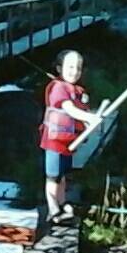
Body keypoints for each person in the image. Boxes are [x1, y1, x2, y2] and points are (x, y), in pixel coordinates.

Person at [39, 50, 103, 224]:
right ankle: (53, 209)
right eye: (70, 67)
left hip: (68, 142)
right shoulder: (58, 88)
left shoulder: (77, 90)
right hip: (54, 141)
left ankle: (62, 203)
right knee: (52, 176)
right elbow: (69, 109)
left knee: (62, 175)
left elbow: (81, 112)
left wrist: (90, 122)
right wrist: (90, 118)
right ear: (59, 68)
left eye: (78, 68)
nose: (74, 71)